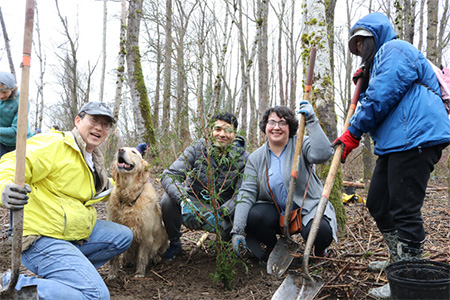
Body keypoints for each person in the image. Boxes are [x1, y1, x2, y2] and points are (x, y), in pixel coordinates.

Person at [333, 12, 450, 298]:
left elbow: (383, 96)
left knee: (404, 209)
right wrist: (365, 84)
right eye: (355, 48)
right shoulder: (383, 60)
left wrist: (353, 132)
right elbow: (380, 97)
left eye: (362, 44)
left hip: (416, 137)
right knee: (377, 203)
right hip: (397, 141)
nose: (360, 51)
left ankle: (408, 276)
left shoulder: (396, 49)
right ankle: (398, 260)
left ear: (374, 38)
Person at [0, 101, 133, 299]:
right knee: (95, 295)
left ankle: (67, 273)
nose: (99, 127)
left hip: (71, 232)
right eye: (94, 120)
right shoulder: (56, 144)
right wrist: (4, 187)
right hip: (41, 237)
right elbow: (14, 161)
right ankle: (16, 284)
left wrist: (131, 182)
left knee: (122, 236)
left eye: (105, 124)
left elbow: (96, 190)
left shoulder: (92, 157)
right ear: (78, 120)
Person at [231, 104, 338, 262]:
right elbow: (247, 192)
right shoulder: (256, 158)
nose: (276, 127)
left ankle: (319, 252)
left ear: (290, 127)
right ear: (265, 126)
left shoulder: (301, 144)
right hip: (277, 212)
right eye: (272, 122)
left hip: (307, 209)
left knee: (320, 231)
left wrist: (311, 120)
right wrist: (237, 230)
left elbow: (324, 154)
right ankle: (276, 249)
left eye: (282, 123)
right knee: (254, 216)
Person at [160, 112, 249, 261]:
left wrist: (222, 211)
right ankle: (175, 244)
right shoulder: (198, 148)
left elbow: (242, 193)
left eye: (227, 130)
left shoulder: (244, 158)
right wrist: (184, 201)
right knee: (167, 201)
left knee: (235, 221)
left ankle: (224, 248)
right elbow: (171, 174)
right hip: (194, 203)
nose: (222, 134)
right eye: (217, 129)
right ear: (211, 131)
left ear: (234, 134)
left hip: (223, 210)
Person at [0, 71, 33, 238]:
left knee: (16, 187)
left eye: (4, 92)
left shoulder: (21, 101)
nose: (1, 96)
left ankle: (15, 230)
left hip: (18, 144)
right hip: (1, 143)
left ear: (12, 90)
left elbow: (16, 131)